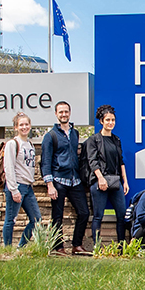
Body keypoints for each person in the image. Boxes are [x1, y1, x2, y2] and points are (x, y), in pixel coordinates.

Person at [41, 101, 90, 256]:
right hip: (58, 180)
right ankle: (58, 247)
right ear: (56, 114)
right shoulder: (51, 136)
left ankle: (76, 245)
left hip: (75, 180)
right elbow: (46, 161)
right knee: (57, 216)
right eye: (60, 112)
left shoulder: (74, 134)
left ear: (70, 113)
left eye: (66, 112)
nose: (63, 114)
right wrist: (50, 184)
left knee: (84, 212)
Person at [85, 104, 129, 243]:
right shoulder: (94, 140)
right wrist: (100, 179)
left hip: (115, 182)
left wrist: (125, 181)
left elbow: (121, 161)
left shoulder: (116, 140)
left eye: (113, 120)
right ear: (101, 121)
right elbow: (92, 161)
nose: (111, 123)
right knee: (98, 216)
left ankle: (122, 246)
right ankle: (97, 246)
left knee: (121, 215)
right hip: (100, 182)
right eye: (108, 120)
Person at [2, 112, 41, 247]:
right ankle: (7, 249)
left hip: (28, 187)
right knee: (11, 219)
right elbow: (9, 167)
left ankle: (20, 247)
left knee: (36, 219)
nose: (24, 127)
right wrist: (14, 189)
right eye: (21, 125)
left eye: (26, 124)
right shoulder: (12, 144)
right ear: (15, 127)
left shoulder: (29, 144)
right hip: (17, 186)